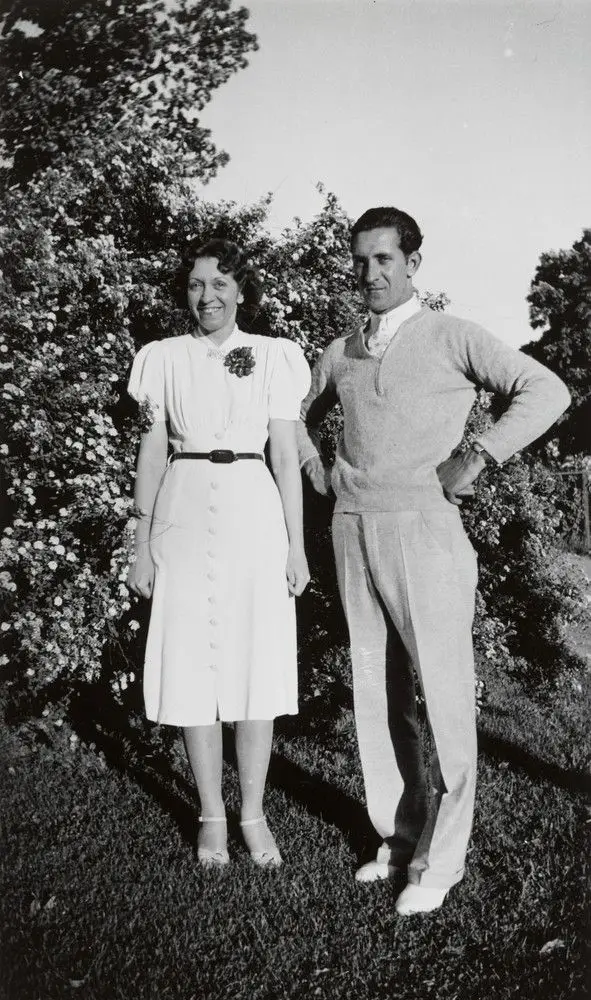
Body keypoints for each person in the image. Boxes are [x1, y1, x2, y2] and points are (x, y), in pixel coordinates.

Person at [297, 206, 570, 914]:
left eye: (384, 259)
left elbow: (547, 391)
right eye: (359, 260)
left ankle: (440, 863)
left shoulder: (451, 335)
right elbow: (289, 411)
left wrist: (479, 454)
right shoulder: (341, 350)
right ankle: (398, 834)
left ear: (413, 263)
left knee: (443, 695)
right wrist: (314, 465)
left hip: (426, 530)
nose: (370, 273)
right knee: (373, 690)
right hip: (353, 528)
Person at [127, 238, 311, 868]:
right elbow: (151, 453)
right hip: (181, 507)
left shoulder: (273, 357)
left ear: (243, 292)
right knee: (192, 666)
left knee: (254, 665)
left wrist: (296, 547)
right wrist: (140, 545)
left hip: (253, 513)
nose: (207, 296)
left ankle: (253, 814)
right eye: (197, 284)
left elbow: (285, 458)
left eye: (220, 284)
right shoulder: (162, 359)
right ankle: (211, 815)